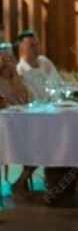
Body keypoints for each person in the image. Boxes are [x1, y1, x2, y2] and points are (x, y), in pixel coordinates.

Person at [0, 42, 35, 196]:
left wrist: (14, 75)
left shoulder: (16, 77)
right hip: (5, 127)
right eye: (3, 56)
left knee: (47, 137)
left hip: (22, 124)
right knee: (40, 140)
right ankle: (22, 180)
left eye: (9, 56)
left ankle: (24, 179)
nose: (7, 59)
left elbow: (26, 98)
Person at [16, 29, 63, 101]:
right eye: (32, 45)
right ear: (21, 48)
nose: (36, 48)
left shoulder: (45, 61)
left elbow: (59, 83)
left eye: (37, 44)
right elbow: (30, 97)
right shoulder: (20, 71)